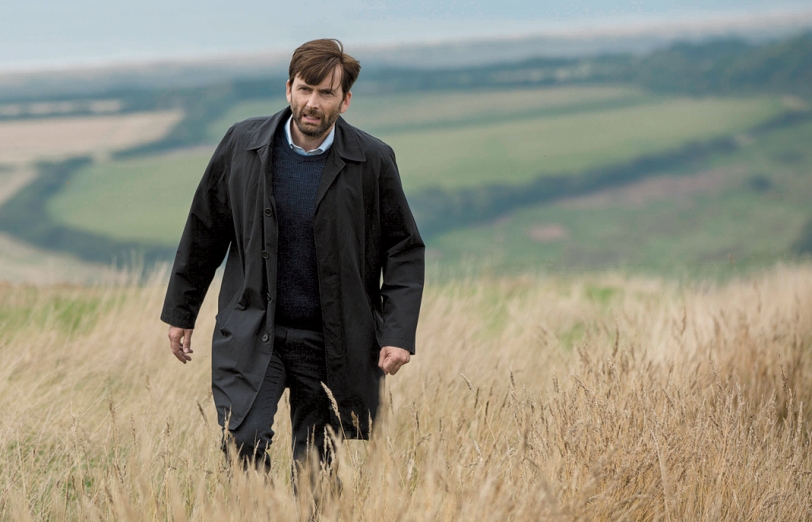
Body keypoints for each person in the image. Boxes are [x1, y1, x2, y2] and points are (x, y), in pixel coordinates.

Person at [160, 39, 424, 472]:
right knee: (241, 442)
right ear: (288, 89)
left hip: (330, 339)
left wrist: (397, 333)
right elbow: (205, 231)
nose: (312, 103)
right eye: (305, 89)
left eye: (326, 93)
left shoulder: (372, 159)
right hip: (254, 329)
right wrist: (181, 311)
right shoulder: (242, 145)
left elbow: (403, 249)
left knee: (316, 469)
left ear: (346, 100)